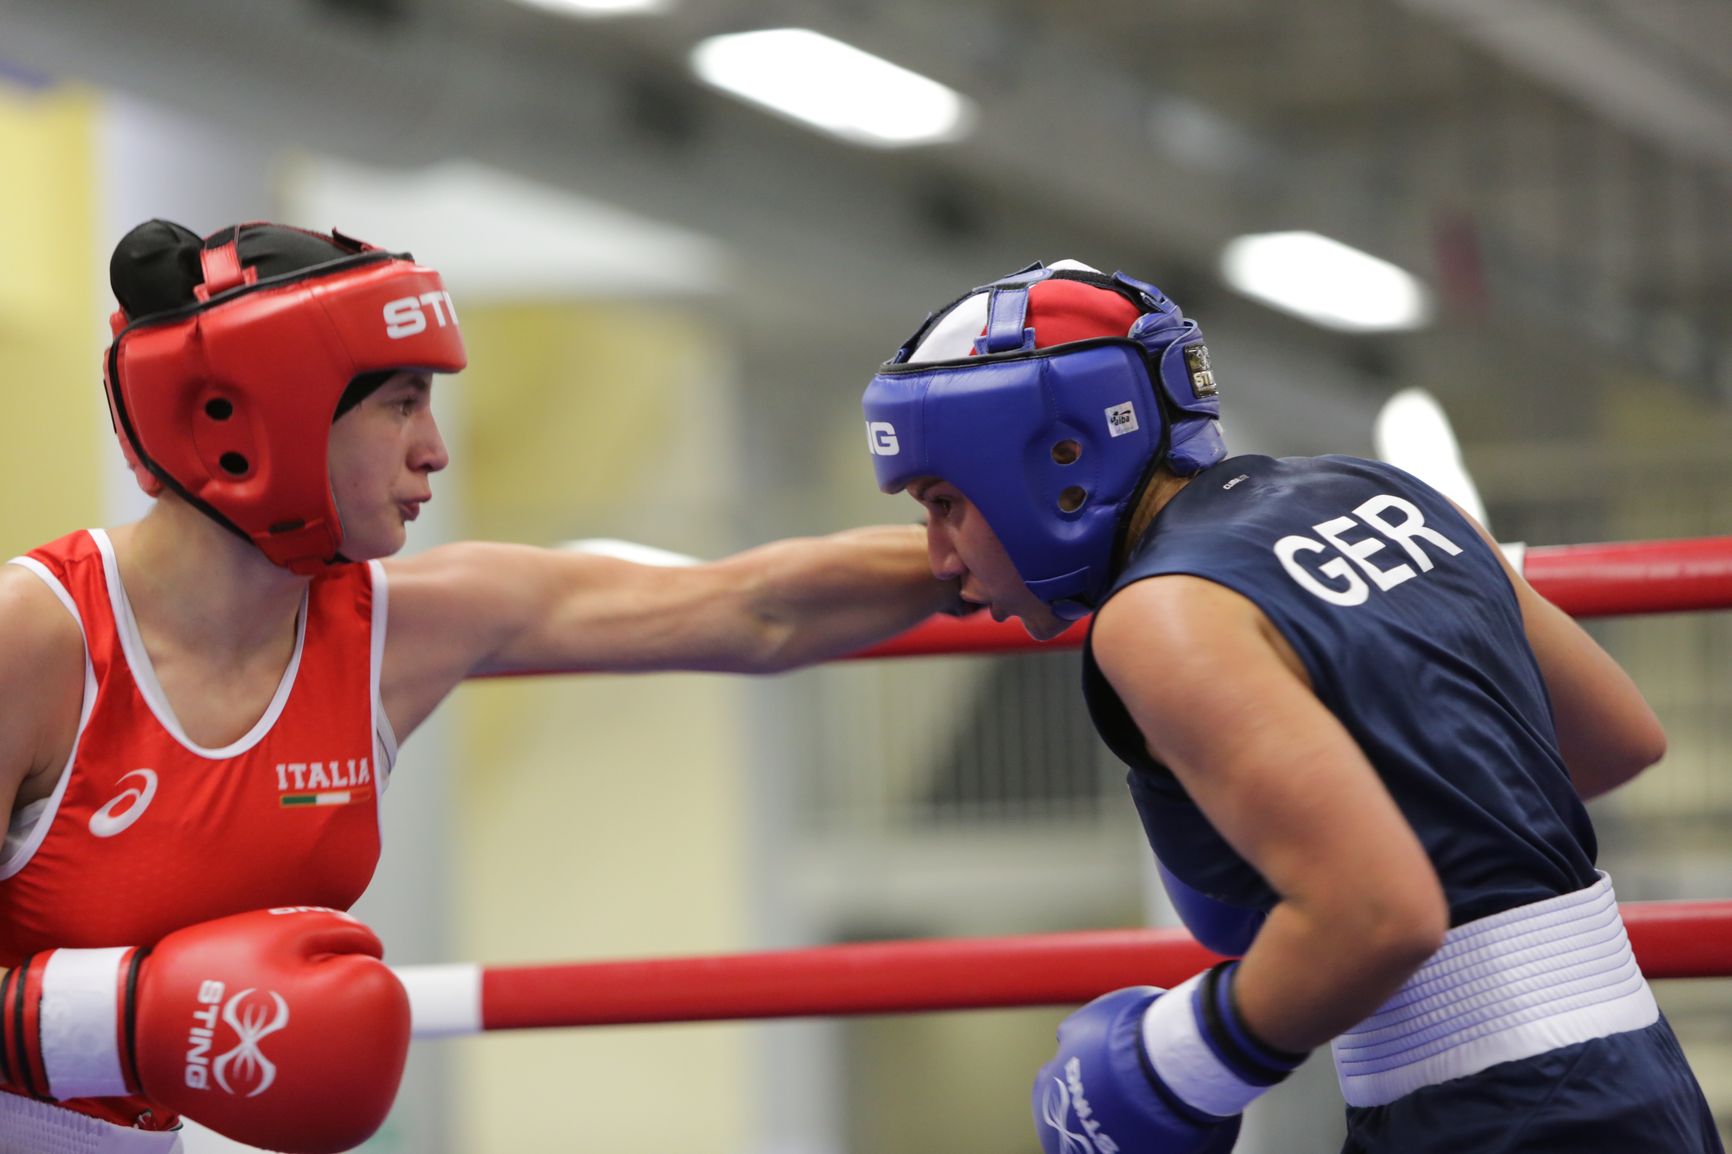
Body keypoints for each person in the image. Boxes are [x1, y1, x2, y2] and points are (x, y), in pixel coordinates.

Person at [0, 219, 963, 1154]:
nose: (435, 450)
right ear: (263, 411)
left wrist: (1000, 542)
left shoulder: (403, 624)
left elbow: (754, 608)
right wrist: (123, 1022)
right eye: (402, 403)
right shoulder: (35, 637)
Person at [860, 260, 1722, 1153]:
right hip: (1640, 1074)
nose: (937, 559)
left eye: (946, 504)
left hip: (1495, 1114)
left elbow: (1378, 916)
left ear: (1055, 459)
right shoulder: (1384, 492)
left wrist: (1175, 1062)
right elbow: (1619, 736)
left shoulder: (1158, 615)